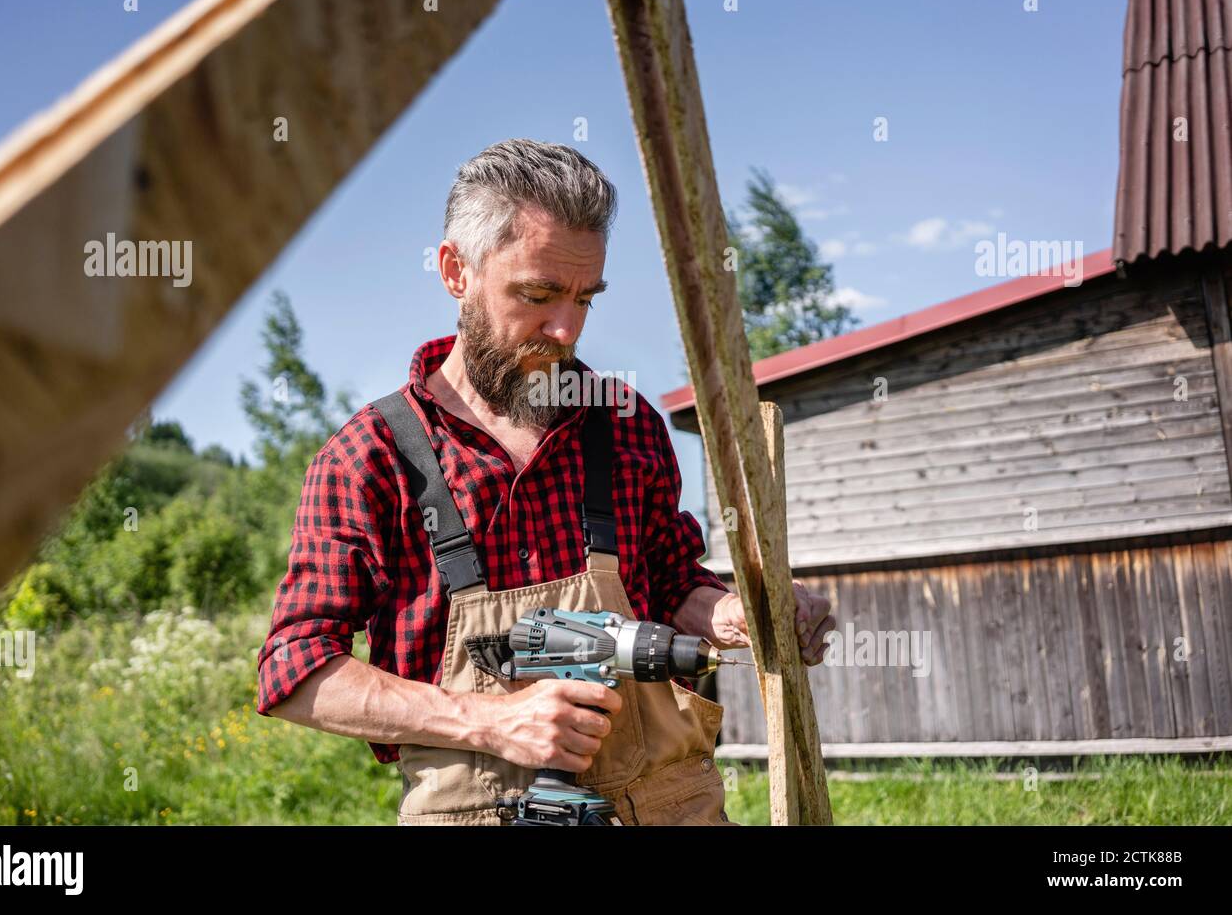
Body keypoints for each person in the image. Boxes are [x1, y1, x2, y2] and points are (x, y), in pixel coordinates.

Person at [256, 138, 834, 825]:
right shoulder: (373, 457)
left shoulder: (624, 424)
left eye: (585, 298)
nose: (566, 329)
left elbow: (675, 584)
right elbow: (294, 670)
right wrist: (487, 720)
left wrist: (740, 614)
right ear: (455, 271)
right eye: (537, 294)